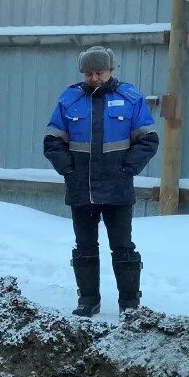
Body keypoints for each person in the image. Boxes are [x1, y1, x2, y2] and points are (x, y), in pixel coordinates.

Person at [44, 46, 159, 317]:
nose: (94, 78)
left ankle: (129, 304)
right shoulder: (69, 100)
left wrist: (127, 170)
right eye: (89, 73)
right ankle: (88, 300)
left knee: (122, 246)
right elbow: (52, 142)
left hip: (117, 187)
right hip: (80, 187)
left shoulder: (130, 99)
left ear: (111, 70)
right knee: (84, 246)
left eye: (100, 72)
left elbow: (148, 140)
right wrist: (68, 171)